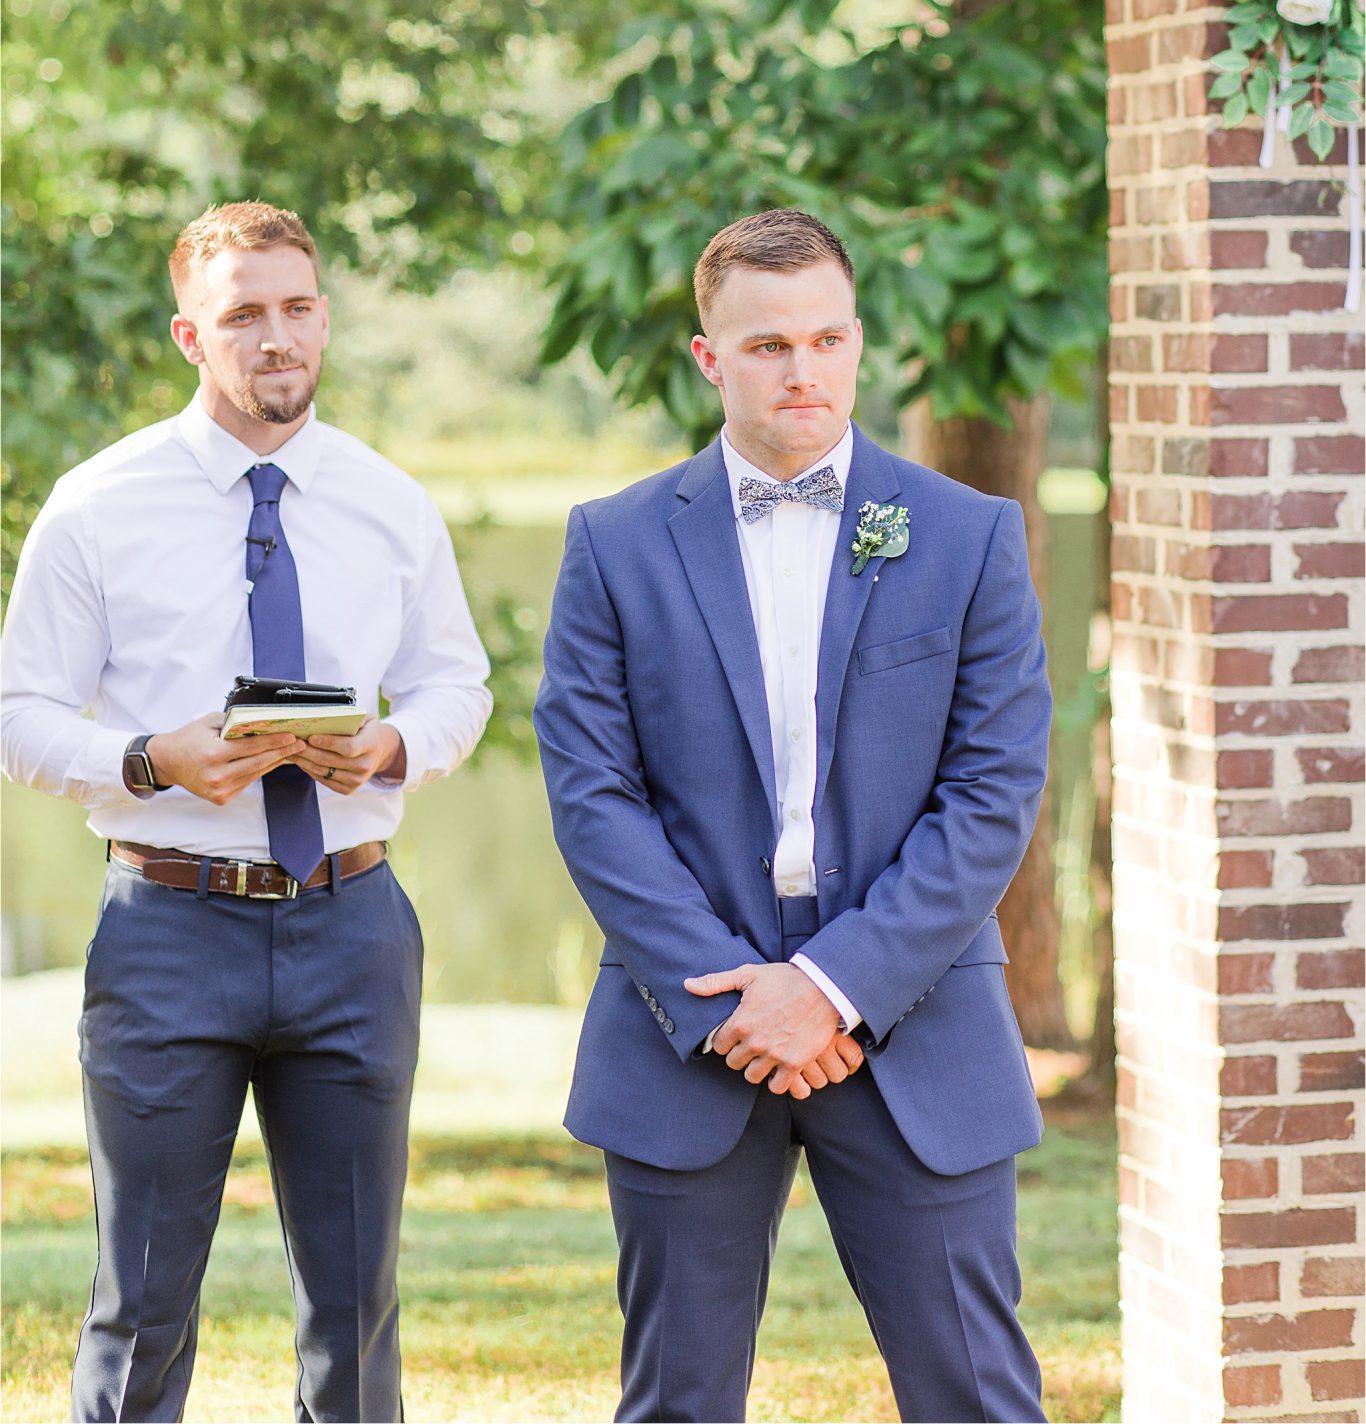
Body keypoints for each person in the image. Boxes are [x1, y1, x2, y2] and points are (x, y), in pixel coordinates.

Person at [535, 207, 1051, 1424]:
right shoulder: (611, 545)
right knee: (675, 1402)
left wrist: (828, 984)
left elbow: (991, 795)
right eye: (768, 344)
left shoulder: (968, 535)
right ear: (710, 356)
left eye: (826, 338)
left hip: (914, 1017)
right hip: (691, 1022)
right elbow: (592, 794)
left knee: (977, 1395)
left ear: (859, 343)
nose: (802, 368)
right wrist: (734, 989)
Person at [2, 201, 492, 1424]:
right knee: (143, 1299)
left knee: (354, 1305)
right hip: (168, 931)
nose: (276, 336)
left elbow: (457, 683)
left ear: (322, 316)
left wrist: (393, 741)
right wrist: (149, 758)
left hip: (354, 924)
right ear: (190, 334)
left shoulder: (389, 501)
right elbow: (18, 711)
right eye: (242, 315)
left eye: (296, 306)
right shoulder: (98, 502)